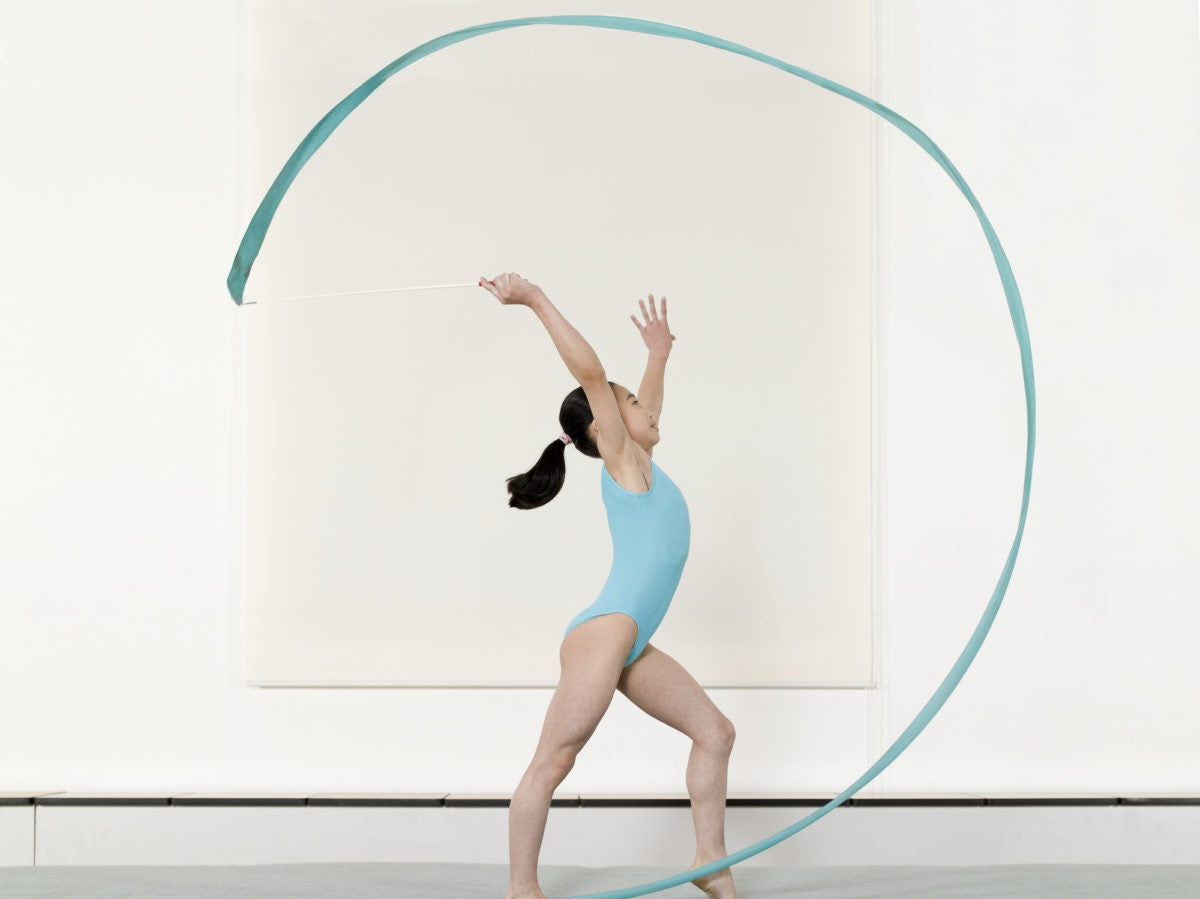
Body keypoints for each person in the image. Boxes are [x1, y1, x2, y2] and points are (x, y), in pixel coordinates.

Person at [478, 273, 739, 899]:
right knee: (554, 761)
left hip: (631, 639)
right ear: (603, 427)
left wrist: (658, 356)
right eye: (629, 404)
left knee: (716, 733)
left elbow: (645, 410)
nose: (646, 409)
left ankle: (709, 860)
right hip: (604, 634)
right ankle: (521, 888)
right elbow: (594, 376)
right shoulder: (623, 462)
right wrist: (535, 300)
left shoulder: (641, 462)